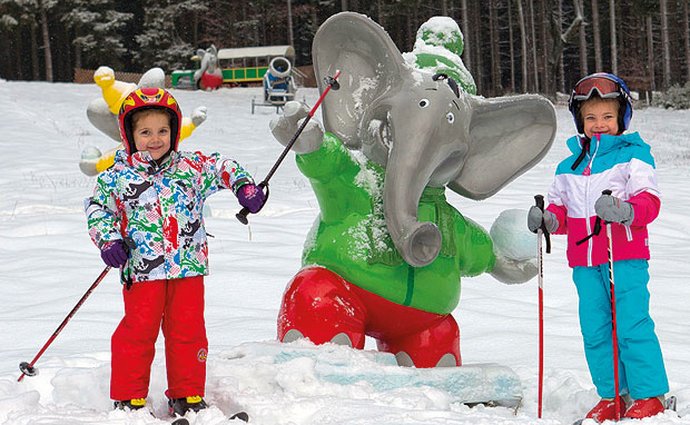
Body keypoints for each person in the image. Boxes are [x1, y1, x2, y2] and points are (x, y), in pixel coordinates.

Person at [84, 87, 265, 417]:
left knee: (189, 331)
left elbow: (223, 166)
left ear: (174, 130)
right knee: (138, 332)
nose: (155, 139)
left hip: (188, 267)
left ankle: (188, 395)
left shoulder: (191, 167)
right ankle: (129, 399)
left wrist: (245, 186)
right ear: (130, 134)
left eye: (163, 130)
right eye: (146, 132)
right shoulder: (116, 177)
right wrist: (108, 240)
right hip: (142, 269)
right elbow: (98, 209)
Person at [527, 73, 669, 422]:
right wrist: (548, 219)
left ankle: (650, 394)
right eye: (591, 118)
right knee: (595, 328)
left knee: (631, 323)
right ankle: (613, 395)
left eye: (607, 116)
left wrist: (625, 212)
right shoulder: (568, 166)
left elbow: (649, 203)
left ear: (622, 117)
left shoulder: (634, 156)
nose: (599, 124)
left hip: (626, 257)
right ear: (580, 121)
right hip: (584, 262)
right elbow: (561, 209)